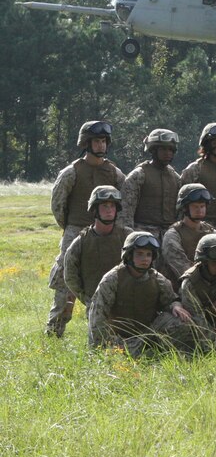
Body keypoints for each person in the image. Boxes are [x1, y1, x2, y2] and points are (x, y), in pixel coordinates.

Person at [46, 120, 127, 337]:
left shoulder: (114, 173)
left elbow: (124, 203)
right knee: (66, 285)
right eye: (96, 141)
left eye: (103, 141)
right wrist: (71, 227)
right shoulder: (72, 172)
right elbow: (58, 205)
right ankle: (55, 331)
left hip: (106, 232)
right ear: (86, 143)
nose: (100, 145)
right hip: (75, 230)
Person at [87, 232, 194, 355]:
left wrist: (176, 306)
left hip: (146, 335)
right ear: (128, 255)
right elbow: (97, 317)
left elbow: (171, 300)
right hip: (119, 338)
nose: (145, 259)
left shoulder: (158, 279)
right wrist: (98, 350)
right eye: (140, 254)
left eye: (149, 255)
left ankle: (171, 351)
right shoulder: (112, 279)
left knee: (179, 320)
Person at [63, 186, 132, 318]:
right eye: (105, 206)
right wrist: (87, 299)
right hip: (97, 305)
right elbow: (70, 276)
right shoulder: (81, 242)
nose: (109, 210)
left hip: (128, 303)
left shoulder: (128, 236)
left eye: (112, 206)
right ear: (94, 210)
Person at [120, 128, 181, 241]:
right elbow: (125, 211)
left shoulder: (175, 178)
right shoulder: (139, 175)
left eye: (171, 150)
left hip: (170, 235)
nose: (168, 153)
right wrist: (129, 237)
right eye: (163, 149)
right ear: (153, 150)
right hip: (143, 233)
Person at [161, 183, 216, 289]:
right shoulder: (173, 235)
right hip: (181, 288)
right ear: (184, 208)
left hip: (210, 285)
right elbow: (182, 268)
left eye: (202, 206)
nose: (200, 210)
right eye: (195, 206)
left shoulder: (211, 231)